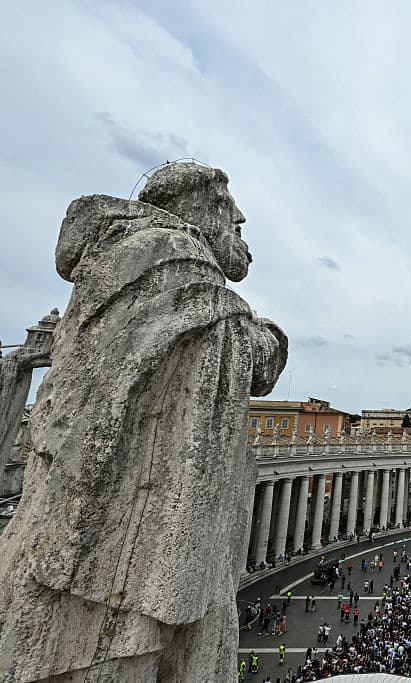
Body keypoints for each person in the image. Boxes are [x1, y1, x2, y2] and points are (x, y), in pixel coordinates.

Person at [0, 162, 288, 681]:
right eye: (236, 217)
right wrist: (263, 329)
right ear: (206, 209)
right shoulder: (171, 261)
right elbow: (253, 359)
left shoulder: (131, 261)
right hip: (129, 528)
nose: (241, 220)